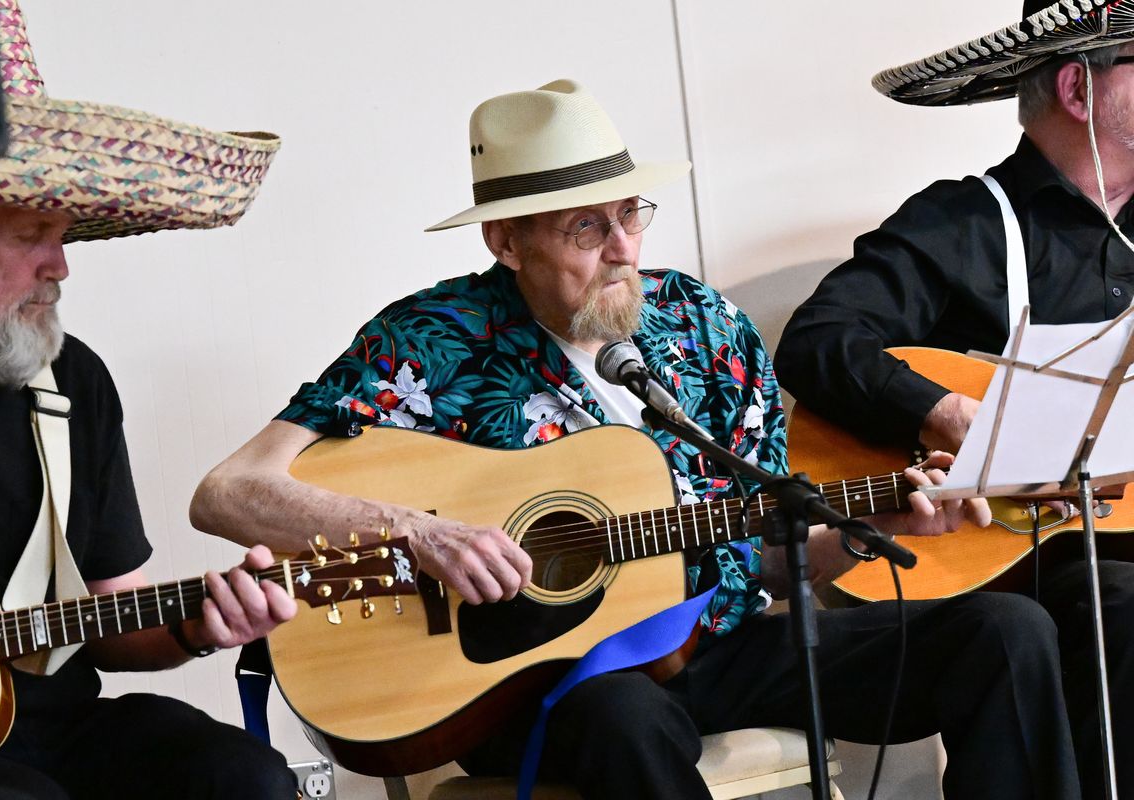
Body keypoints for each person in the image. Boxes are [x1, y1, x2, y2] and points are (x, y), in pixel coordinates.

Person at [192, 78, 1080, 799]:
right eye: (586, 226)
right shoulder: (429, 340)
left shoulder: (703, 327)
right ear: (507, 240)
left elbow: (762, 561)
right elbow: (228, 492)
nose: (623, 248)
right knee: (626, 719)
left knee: (1006, 632)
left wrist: (849, 538)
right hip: (539, 683)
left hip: (715, 644)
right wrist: (421, 532)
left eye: (631, 214)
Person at [0, 3, 297, 799]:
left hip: (58, 735)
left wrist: (198, 626)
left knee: (246, 777)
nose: (61, 267)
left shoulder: (71, 383)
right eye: (32, 234)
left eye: (64, 235)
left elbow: (110, 622)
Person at [774, 2, 1134, 797]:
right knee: (1119, 602)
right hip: (1027, 562)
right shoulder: (966, 222)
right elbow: (819, 340)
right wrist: (953, 414)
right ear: (1079, 88)